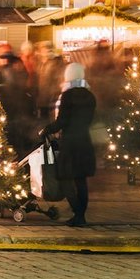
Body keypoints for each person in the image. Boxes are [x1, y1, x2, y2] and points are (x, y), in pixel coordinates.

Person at [41, 62, 96, 227]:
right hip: (84, 141)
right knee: (81, 180)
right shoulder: (90, 95)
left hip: (70, 142)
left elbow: (62, 121)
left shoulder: (67, 95)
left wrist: (47, 129)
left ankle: (77, 212)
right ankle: (81, 215)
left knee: (64, 177)